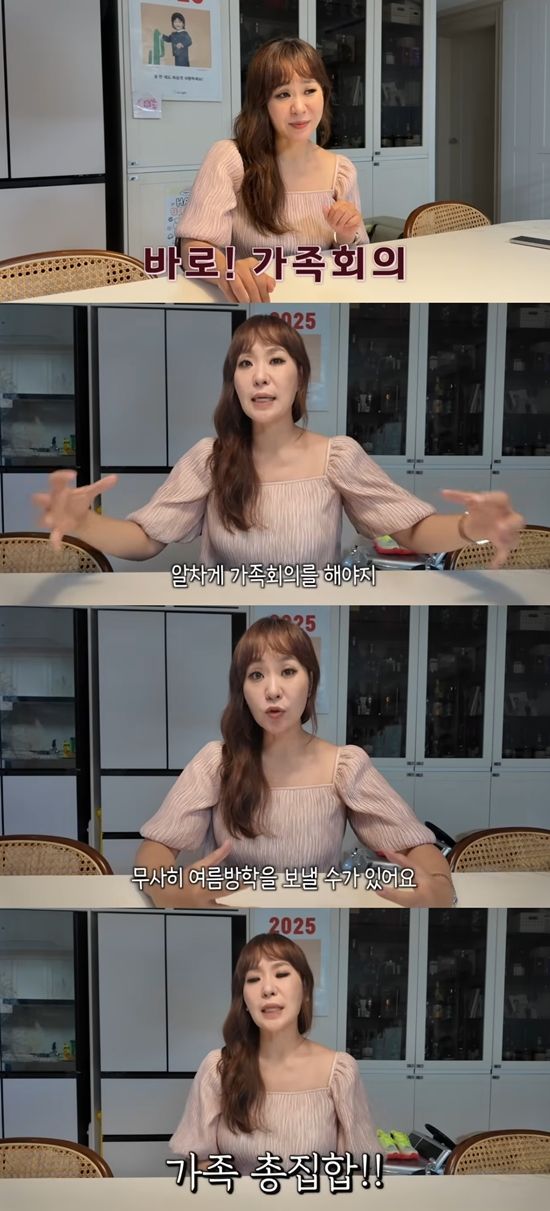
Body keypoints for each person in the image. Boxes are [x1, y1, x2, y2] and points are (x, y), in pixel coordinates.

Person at [32, 316, 524, 570]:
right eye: (245, 364)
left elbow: (411, 531)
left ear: (300, 377)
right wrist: (85, 525)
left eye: (276, 361)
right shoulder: (209, 459)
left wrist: (469, 528)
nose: (260, 376)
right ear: (234, 383)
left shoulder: (338, 456)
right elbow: (146, 540)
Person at [135, 616, 455, 908]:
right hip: (234, 925)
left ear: (310, 682)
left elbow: (416, 845)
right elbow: (155, 849)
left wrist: (440, 886)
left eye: (288, 671)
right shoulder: (216, 762)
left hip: (317, 918)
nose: (273, 691)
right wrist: (169, 890)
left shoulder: (345, 766)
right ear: (242, 690)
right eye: (256, 675)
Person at [176, 37, 368, 303]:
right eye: (283, 94)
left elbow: (355, 259)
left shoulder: (342, 171)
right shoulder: (230, 158)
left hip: (320, 304)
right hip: (252, 304)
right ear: (262, 103)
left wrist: (344, 234)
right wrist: (226, 270)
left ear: (324, 93)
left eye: (309, 90)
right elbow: (192, 249)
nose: (299, 108)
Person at [169, 932, 381, 1172]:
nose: (268, 989)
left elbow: (359, 1168)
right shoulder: (219, 1068)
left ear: (305, 990)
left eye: (281, 974)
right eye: (253, 979)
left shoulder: (340, 1071)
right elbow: (200, 1160)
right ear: (243, 999)